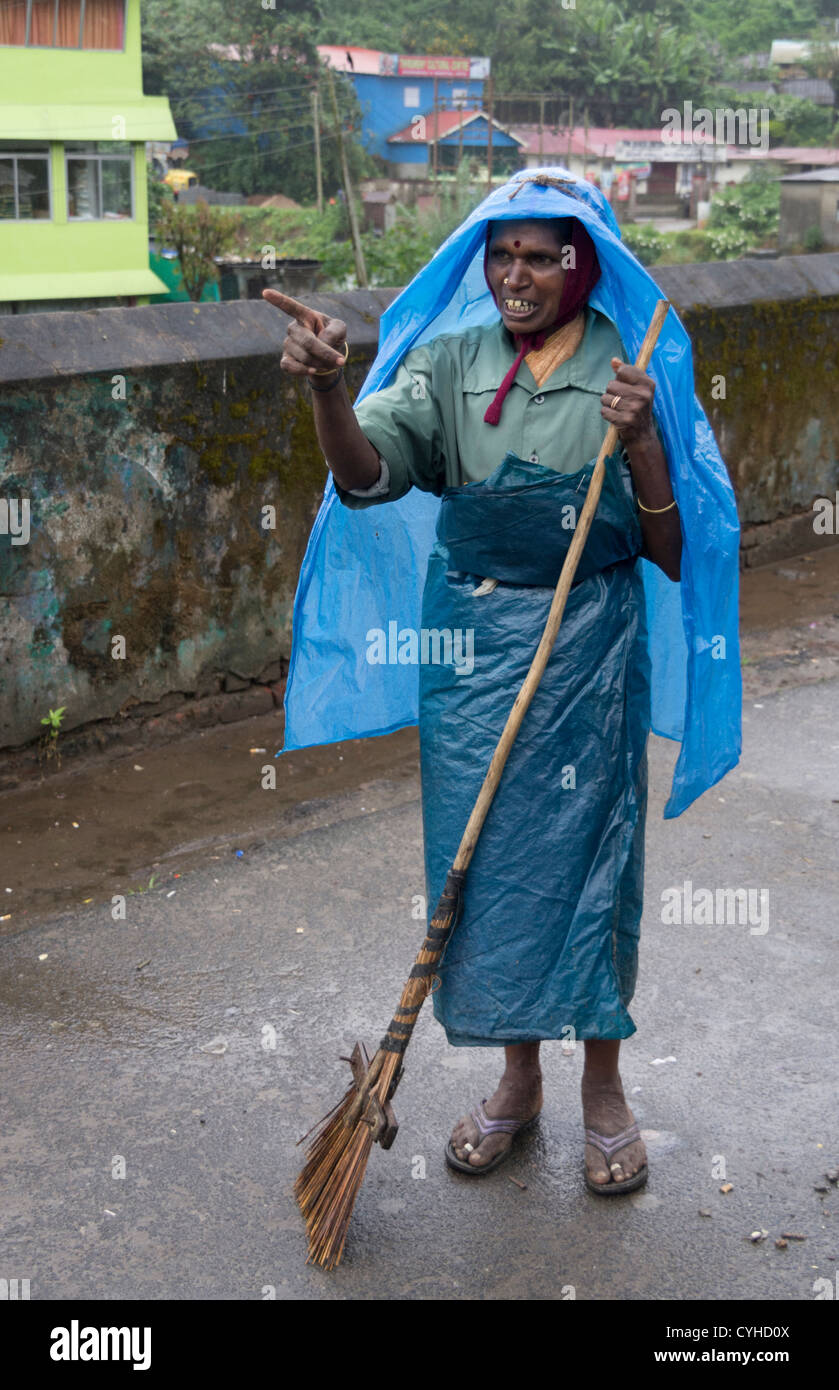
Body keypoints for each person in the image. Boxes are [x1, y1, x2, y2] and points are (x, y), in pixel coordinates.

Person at [264, 167, 740, 1196]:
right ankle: (516, 1081)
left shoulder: (632, 363)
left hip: (591, 645)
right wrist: (324, 390)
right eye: (501, 255)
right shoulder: (445, 365)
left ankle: (601, 1090)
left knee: (593, 860)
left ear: (581, 266)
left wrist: (645, 440)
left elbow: (664, 550)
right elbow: (364, 476)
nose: (515, 276)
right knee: (481, 871)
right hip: (472, 655)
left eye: (539, 256)